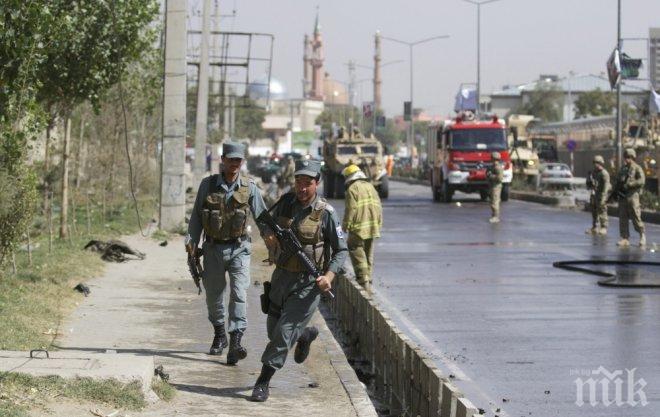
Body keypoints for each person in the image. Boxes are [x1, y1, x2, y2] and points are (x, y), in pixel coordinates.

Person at [250, 159, 348, 402]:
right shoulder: (285, 202)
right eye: (298, 182)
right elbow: (264, 220)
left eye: (308, 183)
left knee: (283, 334)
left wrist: (329, 276)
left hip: (308, 283)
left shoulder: (326, 213)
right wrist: (268, 235)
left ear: (317, 184)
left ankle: (263, 381)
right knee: (274, 331)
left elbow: (341, 251)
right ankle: (304, 335)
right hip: (281, 277)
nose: (302, 188)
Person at [186, 141, 267, 364]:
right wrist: (191, 243)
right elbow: (196, 218)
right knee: (214, 295)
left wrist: (273, 242)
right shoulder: (207, 185)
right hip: (212, 248)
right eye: (230, 159)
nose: (234, 164)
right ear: (223, 160)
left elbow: (263, 218)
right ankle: (220, 333)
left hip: (240, 248)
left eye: (238, 160)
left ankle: (236, 341)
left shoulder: (249, 187)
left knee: (240, 292)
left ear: (242, 162)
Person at [341, 164, 382, 292]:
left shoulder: (352, 188)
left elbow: (351, 209)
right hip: (372, 226)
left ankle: (363, 279)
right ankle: (368, 278)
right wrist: (379, 224)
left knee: (355, 249)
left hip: (358, 227)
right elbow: (379, 206)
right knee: (368, 252)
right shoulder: (371, 187)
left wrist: (346, 225)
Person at [616, 148, 646, 247]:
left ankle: (642, 235)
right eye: (626, 157)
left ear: (633, 158)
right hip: (623, 197)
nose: (627, 159)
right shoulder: (623, 169)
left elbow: (642, 181)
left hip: (633, 197)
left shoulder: (637, 168)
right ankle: (625, 238)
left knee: (636, 217)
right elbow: (618, 181)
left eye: (629, 157)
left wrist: (630, 184)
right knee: (623, 217)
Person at [586, 155, 611, 235]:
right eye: (594, 162)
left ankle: (604, 227)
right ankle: (595, 227)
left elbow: (606, 185)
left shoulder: (604, 173)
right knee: (594, 211)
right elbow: (589, 184)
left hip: (602, 194)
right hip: (594, 194)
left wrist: (604, 196)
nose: (595, 164)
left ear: (601, 163)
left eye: (597, 162)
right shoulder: (593, 173)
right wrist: (589, 182)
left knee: (602, 210)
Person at [486, 151, 504, 223]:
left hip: (496, 186)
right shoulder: (492, 167)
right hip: (492, 185)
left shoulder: (498, 167)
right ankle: (493, 215)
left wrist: (491, 176)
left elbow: (499, 178)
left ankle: (496, 217)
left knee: (495, 201)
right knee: (492, 201)